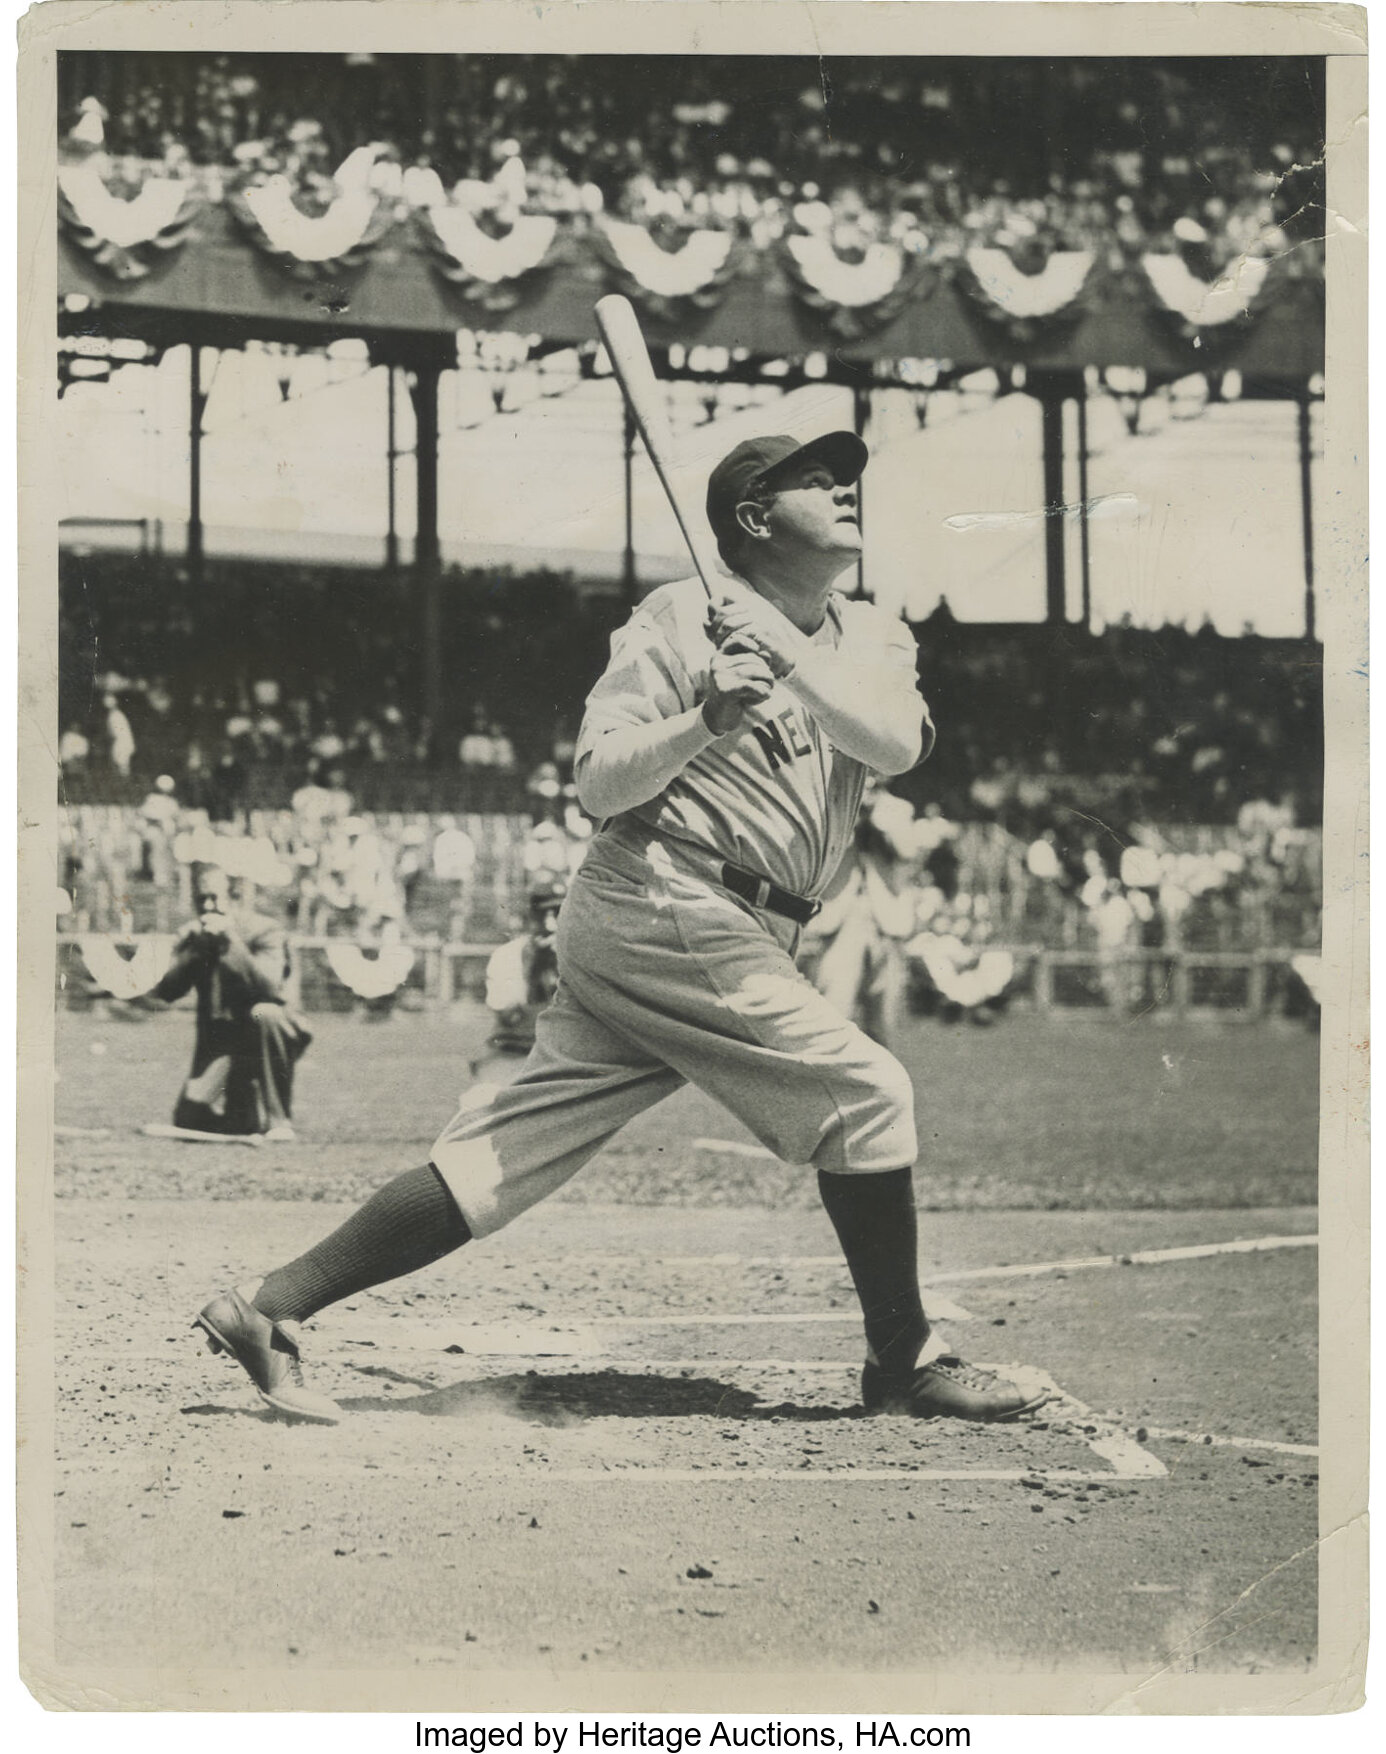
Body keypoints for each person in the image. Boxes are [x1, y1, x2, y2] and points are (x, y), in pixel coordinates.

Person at [195, 430, 1045, 1428]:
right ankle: (904, 1359)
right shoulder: (678, 618)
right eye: (817, 478)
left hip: (738, 921)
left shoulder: (876, 635)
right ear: (755, 518)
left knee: (501, 1158)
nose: (846, 489)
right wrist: (705, 718)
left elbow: (892, 743)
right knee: (866, 1092)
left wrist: (783, 651)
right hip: (667, 894)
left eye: (847, 474)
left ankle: (266, 1307)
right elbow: (600, 780)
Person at [151, 865, 312, 1141]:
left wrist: (231, 940)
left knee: (265, 1013)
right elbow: (166, 992)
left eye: (215, 898)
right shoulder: (196, 935)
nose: (208, 906)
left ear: (234, 897)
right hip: (225, 1041)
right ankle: (245, 1109)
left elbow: (270, 988)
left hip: (275, 1031)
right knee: (189, 1119)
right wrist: (193, 951)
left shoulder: (265, 930)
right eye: (201, 899)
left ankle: (278, 1119)